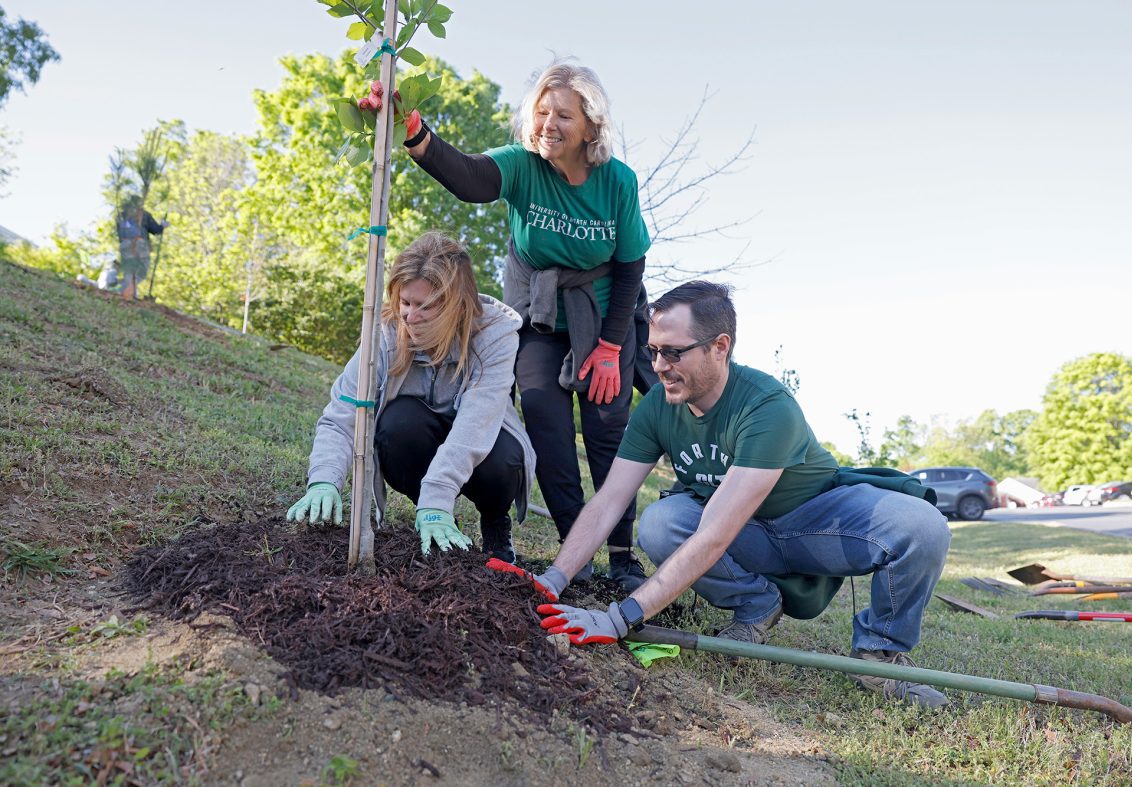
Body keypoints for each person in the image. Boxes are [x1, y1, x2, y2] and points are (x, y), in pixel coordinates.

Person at [497, 281, 953, 707]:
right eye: (654, 352)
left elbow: (715, 533)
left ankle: (878, 655)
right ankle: (755, 605)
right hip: (747, 533)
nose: (658, 367)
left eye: (673, 353)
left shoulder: (765, 405)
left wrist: (620, 619)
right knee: (661, 523)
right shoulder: (658, 404)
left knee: (921, 527)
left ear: (720, 346)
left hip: (815, 524)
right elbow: (610, 499)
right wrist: (552, 580)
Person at [403, 60, 651, 591]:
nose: (548, 124)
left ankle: (623, 556)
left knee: (608, 432)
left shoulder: (617, 182)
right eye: (541, 112)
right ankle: (575, 549)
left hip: (604, 318)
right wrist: (416, 134)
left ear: (591, 126)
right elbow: (470, 178)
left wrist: (610, 347)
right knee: (546, 425)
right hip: (538, 316)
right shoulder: (521, 164)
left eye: (564, 114)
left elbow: (631, 265)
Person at [286, 232, 536, 562]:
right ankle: (434, 519)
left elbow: (476, 425)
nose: (409, 317)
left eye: (425, 306)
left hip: (481, 440)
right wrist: (324, 479)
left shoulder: (495, 335)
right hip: (419, 433)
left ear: (456, 307)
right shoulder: (385, 333)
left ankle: (492, 520)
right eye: (405, 302)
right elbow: (344, 413)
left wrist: (439, 495)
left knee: (504, 462)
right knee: (397, 426)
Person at [116, 196, 166, 300]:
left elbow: (118, 232)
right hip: (140, 244)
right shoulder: (143, 214)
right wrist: (162, 225)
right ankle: (127, 292)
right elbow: (156, 230)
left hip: (124, 245)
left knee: (129, 270)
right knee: (141, 270)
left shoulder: (121, 216)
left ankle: (130, 293)